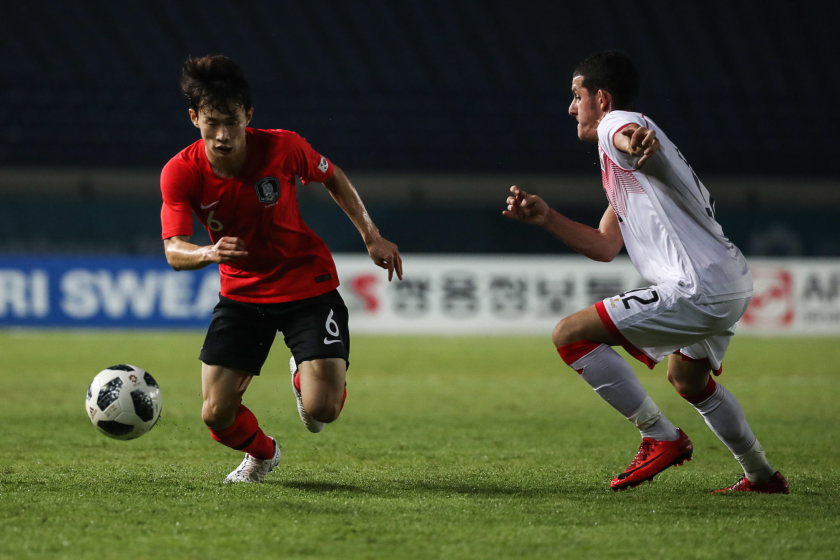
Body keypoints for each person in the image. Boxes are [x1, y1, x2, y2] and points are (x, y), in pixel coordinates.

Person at [503, 51, 788, 494]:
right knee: (688, 379)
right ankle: (760, 475)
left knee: (569, 335)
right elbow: (604, 246)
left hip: (696, 285)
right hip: (729, 279)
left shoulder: (617, 124)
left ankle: (660, 436)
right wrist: (547, 218)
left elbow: (629, 134)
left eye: (577, 96)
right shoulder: (629, 175)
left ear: (601, 98)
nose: (571, 107)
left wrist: (633, 140)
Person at [160, 55, 402, 483]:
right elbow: (174, 251)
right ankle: (263, 454)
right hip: (242, 296)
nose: (221, 135)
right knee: (216, 413)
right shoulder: (180, 173)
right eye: (211, 122)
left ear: (248, 117)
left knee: (321, 410)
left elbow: (333, 176)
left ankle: (303, 374)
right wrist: (208, 253)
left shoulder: (283, 147)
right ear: (194, 118)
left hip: (306, 285)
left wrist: (370, 234)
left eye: (231, 122)